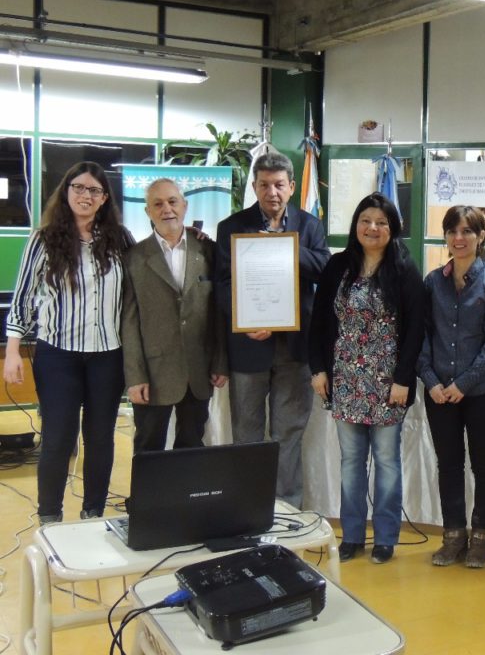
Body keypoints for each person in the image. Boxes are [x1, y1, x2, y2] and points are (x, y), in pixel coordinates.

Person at [3, 162, 133, 522]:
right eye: (78, 187)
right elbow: (23, 298)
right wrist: (12, 350)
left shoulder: (120, 240)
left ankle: (93, 512)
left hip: (108, 355)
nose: (85, 196)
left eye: (94, 190)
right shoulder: (43, 239)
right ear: (66, 191)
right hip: (58, 356)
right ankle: (50, 517)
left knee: (101, 438)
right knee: (59, 439)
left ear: (104, 198)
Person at [309, 192, 426, 564]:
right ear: (356, 225)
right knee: (350, 462)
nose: (372, 228)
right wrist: (318, 368)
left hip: (389, 381)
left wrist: (404, 379)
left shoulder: (405, 269)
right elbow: (319, 322)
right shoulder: (338, 266)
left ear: (392, 229)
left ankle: (387, 537)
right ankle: (353, 536)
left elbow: (415, 331)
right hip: (344, 378)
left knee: (388, 462)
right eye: (365, 221)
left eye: (381, 223)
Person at [215, 151, 330, 508]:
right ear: (254, 186)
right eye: (264, 185)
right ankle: (247, 509)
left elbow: (325, 270)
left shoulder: (309, 226)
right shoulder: (232, 227)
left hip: (296, 351)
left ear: (292, 187)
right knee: (247, 435)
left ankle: (286, 512)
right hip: (249, 348)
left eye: (279, 185)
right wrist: (248, 320)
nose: (272, 192)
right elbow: (221, 285)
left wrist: (286, 247)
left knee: (288, 435)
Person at [418, 205, 485, 569]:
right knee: (449, 464)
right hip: (439, 392)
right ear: (446, 236)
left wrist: (464, 382)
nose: (459, 238)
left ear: (481, 237)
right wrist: (431, 380)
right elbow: (422, 335)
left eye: (467, 231)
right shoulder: (432, 282)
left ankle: (482, 535)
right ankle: (453, 534)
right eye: (452, 231)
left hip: (484, 391)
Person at [121, 178, 228, 452]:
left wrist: (219, 361)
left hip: (198, 370)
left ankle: (184, 496)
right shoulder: (134, 258)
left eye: (172, 201)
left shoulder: (208, 250)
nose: (166, 209)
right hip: (154, 374)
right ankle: (148, 497)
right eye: (157, 204)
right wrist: (135, 377)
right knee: (148, 446)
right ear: (147, 212)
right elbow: (129, 323)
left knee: (192, 446)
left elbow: (218, 311)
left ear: (185, 205)